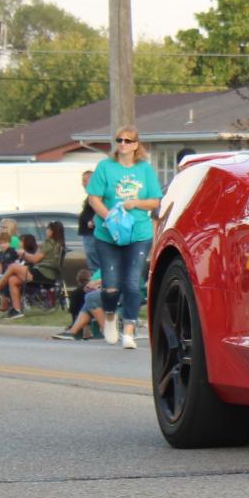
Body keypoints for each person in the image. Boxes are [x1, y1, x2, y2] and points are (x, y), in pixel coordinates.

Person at [86, 129, 161, 349]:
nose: (123, 144)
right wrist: (110, 217)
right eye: (119, 140)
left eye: (128, 141)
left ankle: (128, 329)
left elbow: (155, 201)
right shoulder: (105, 167)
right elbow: (93, 199)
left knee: (131, 283)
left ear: (137, 144)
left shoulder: (144, 170)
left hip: (138, 233)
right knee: (110, 286)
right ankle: (110, 315)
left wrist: (136, 203)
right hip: (108, 234)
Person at [53, 267, 106, 342]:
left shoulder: (117, 262)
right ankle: (74, 331)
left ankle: (106, 331)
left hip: (116, 291)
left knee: (90, 297)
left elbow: (117, 278)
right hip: (100, 289)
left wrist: (97, 283)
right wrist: (88, 286)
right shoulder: (106, 264)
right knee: (87, 296)